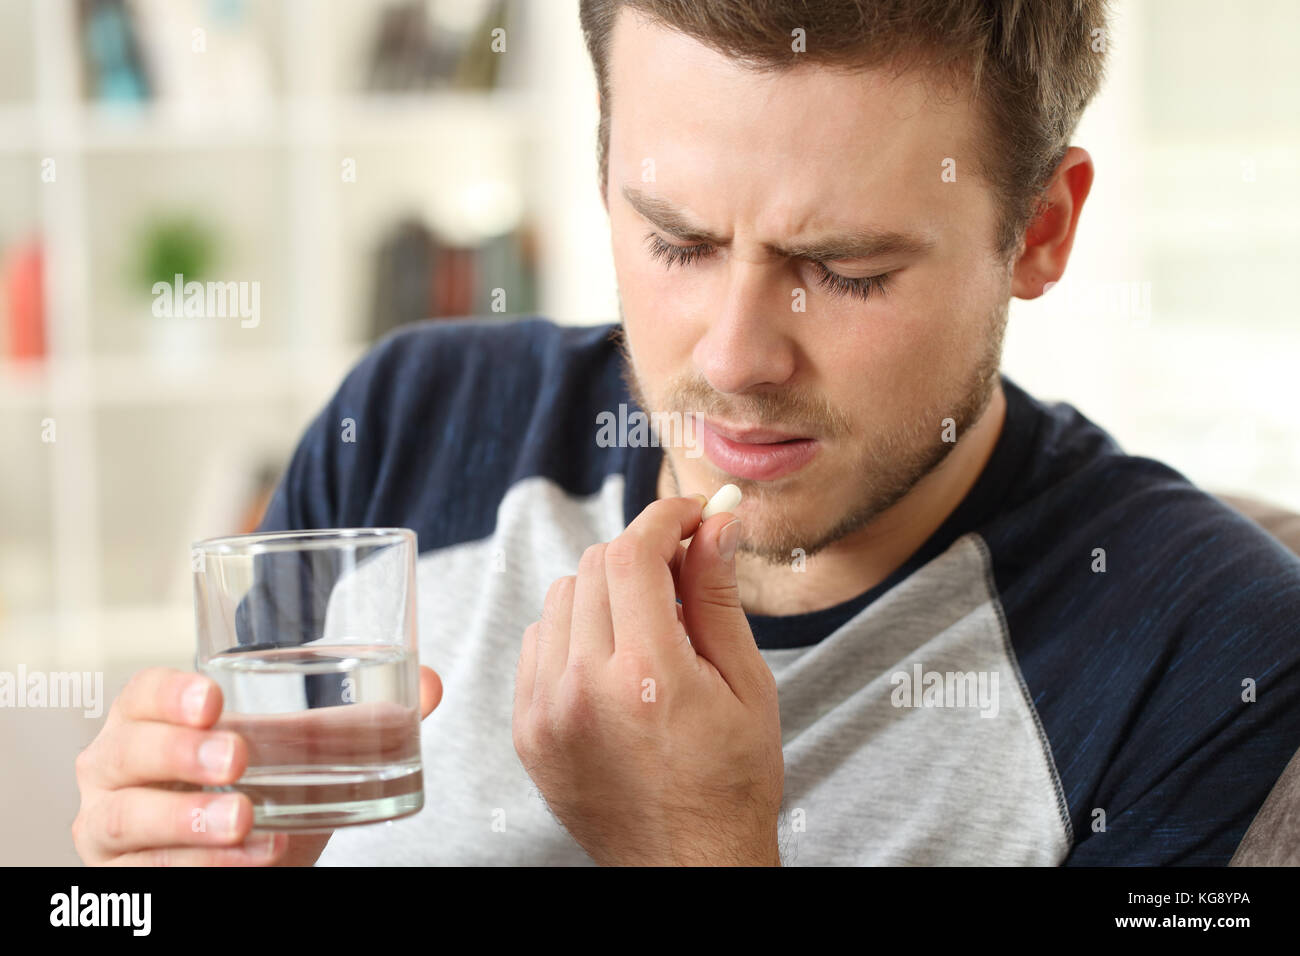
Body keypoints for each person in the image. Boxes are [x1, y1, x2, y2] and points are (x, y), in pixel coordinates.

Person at [73, 0, 1300, 866]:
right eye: (676, 241)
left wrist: (695, 849)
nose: (732, 359)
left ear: (1039, 229)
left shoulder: (1208, 665)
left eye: (845, 266)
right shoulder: (409, 426)